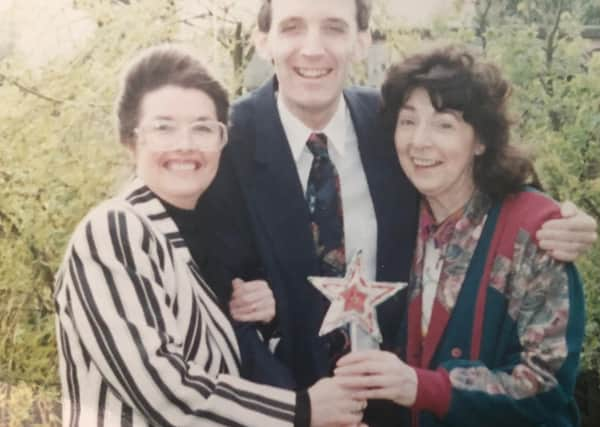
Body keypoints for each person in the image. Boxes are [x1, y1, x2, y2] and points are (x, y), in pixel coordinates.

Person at [198, 0, 597, 424]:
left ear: (362, 41)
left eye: (334, 27)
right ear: (264, 40)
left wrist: (555, 218)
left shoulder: (383, 123)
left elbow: (481, 178)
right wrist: (299, 410)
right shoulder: (222, 144)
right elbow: (206, 297)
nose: (312, 49)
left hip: (404, 408)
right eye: (293, 26)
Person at [54, 45, 368, 427]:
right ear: (130, 140)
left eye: (202, 127)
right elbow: (163, 391)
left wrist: (264, 317)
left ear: (222, 141)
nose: (185, 144)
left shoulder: (200, 241)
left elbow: (222, 371)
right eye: (163, 127)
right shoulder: (116, 229)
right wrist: (302, 411)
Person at [334, 44, 586, 427]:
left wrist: (424, 387)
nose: (420, 141)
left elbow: (547, 388)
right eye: (408, 121)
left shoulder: (533, 231)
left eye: (444, 124)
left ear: (481, 141)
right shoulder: (396, 218)